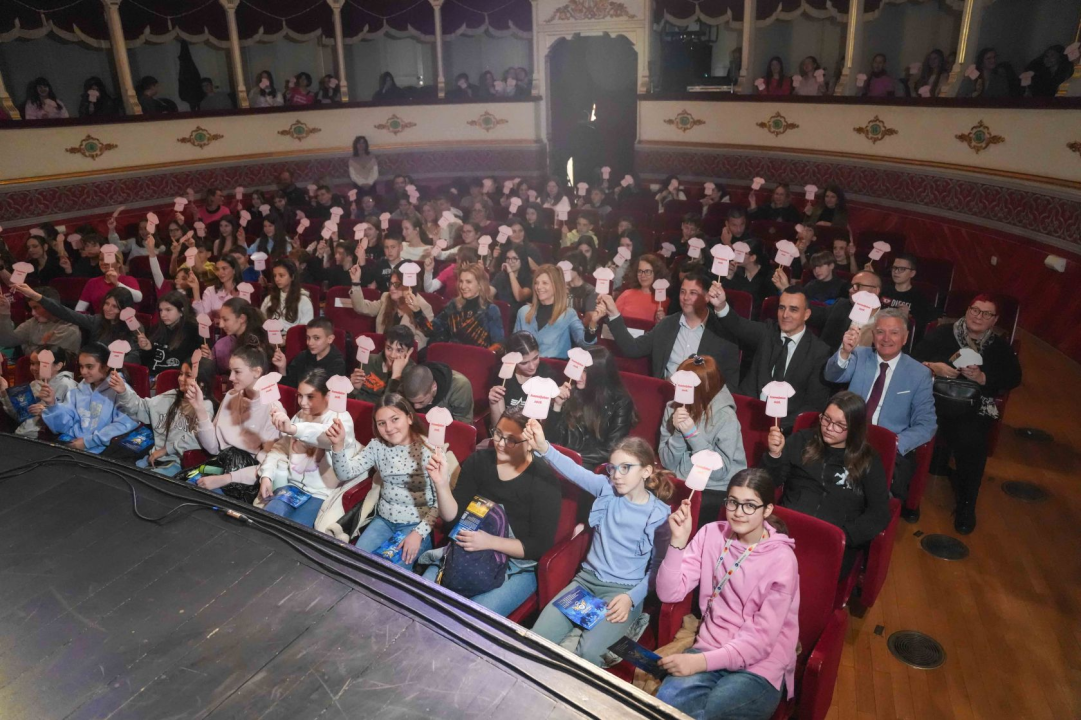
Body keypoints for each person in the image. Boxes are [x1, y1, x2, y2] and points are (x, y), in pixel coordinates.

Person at [654, 469, 798, 720]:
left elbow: (761, 642)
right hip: (709, 647)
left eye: (749, 505)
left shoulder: (782, 559)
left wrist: (698, 663)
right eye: (733, 502)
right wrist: (678, 541)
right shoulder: (711, 533)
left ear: (767, 510)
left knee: (710, 713)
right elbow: (669, 593)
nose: (739, 512)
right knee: (665, 703)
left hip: (759, 665)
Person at [526, 421, 673, 667]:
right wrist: (544, 447)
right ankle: (587, 631)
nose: (616, 475)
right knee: (536, 639)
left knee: (589, 656)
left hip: (622, 593)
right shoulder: (607, 489)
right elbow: (574, 471)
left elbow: (659, 568)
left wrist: (630, 599)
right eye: (612, 468)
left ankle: (617, 630)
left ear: (646, 471)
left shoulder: (659, 515)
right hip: (586, 582)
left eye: (626, 468)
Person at [425, 408, 563, 615]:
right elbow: (453, 521)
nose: (500, 443)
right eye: (498, 433)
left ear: (530, 442)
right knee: (423, 595)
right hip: (469, 548)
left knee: (470, 616)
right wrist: (441, 484)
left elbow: (538, 546)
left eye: (511, 440)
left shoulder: (544, 481)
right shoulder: (478, 462)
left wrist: (489, 542)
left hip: (517, 565)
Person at [913, 294, 1021, 534]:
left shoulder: (998, 346)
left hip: (973, 408)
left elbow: (1014, 378)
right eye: (975, 310)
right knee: (913, 423)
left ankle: (966, 504)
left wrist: (983, 378)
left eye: (986, 314)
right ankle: (908, 497)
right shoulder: (943, 333)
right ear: (967, 310)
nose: (978, 316)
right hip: (933, 400)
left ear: (994, 320)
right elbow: (913, 359)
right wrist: (933, 367)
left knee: (972, 441)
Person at [823, 309, 937, 514]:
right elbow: (833, 375)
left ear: (905, 337)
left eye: (894, 333)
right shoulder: (859, 354)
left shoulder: (919, 374)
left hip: (887, 444)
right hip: (849, 435)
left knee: (875, 490)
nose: (886, 338)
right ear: (873, 334)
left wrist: (894, 444)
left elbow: (926, 424)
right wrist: (844, 352)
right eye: (880, 332)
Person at [765, 390, 891, 573]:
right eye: (826, 419)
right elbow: (768, 482)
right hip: (787, 532)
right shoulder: (802, 440)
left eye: (839, 425)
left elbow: (879, 512)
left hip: (831, 544)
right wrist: (774, 455)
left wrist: (843, 537)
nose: (829, 428)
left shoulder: (867, 459)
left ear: (854, 428)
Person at [326, 393, 437, 569]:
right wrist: (338, 445)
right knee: (355, 563)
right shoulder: (377, 446)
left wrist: (419, 533)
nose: (389, 428)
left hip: (415, 525)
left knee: (388, 573)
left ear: (409, 418)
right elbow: (345, 473)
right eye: (382, 423)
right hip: (384, 520)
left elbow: (439, 503)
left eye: (395, 419)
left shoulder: (429, 450)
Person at [707, 283, 830, 430]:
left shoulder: (818, 351)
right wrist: (721, 306)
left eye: (793, 309)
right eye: (782, 308)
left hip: (786, 427)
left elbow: (814, 404)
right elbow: (738, 325)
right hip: (748, 413)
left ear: (806, 314)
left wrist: (780, 428)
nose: (785, 315)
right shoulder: (768, 331)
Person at [603, 268, 740, 384]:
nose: (685, 297)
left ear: (707, 297)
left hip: (702, 402)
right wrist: (614, 314)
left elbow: (730, 384)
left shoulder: (722, 333)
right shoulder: (667, 325)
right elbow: (633, 348)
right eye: (683, 292)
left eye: (693, 293)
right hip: (666, 395)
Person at [260, 369, 358, 527]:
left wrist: (293, 429)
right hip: (293, 486)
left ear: (328, 396)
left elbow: (324, 437)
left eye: (310, 397)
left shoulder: (341, 419)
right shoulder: (299, 416)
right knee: (268, 519)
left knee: (296, 529)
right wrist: (267, 475)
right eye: (300, 395)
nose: (302, 402)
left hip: (321, 493)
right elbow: (280, 448)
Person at [660, 355, 748, 523]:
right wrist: (678, 433)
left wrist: (692, 435)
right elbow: (667, 462)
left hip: (715, 488)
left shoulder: (726, 417)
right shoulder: (672, 409)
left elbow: (720, 472)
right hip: (680, 479)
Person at [188, 345, 281, 498]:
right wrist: (199, 409)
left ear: (257, 372)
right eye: (230, 371)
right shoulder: (231, 396)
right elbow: (213, 448)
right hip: (221, 467)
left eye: (237, 372)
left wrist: (225, 479)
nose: (230, 377)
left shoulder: (274, 410)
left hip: (246, 479)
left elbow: (268, 466)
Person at [111, 359, 213, 477]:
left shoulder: (205, 406)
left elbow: (197, 438)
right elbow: (141, 408)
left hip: (177, 464)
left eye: (188, 375)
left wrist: (166, 450)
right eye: (181, 374)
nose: (181, 378)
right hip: (152, 458)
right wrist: (123, 391)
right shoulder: (171, 396)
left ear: (202, 383)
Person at [546, 345, 637, 472]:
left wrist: (573, 458)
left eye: (585, 372)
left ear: (599, 374)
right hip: (562, 458)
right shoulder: (571, 391)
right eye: (579, 369)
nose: (578, 376)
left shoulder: (620, 402)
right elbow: (552, 440)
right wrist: (557, 406)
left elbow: (611, 449)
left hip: (589, 465)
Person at [38, 343, 139, 453]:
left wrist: (88, 442)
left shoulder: (122, 392)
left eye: (89, 367)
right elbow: (63, 426)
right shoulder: (77, 391)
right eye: (81, 366)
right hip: (70, 445)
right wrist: (52, 404)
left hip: (101, 452)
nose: (83, 371)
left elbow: (124, 425)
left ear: (106, 366)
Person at [15, 284, 141, 364]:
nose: (108, 309)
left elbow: (135, 357)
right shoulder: (96, 320)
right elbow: (65, 313)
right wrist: (36, 296)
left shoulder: (134, 326)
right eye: (107, 304)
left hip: (117, 374)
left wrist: (108, 365)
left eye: (114, 306)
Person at [514, 264, 596, 359]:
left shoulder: (568, 314)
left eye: (545, 283)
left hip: (554, 366)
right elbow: (515, 346)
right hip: (526, 366)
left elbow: (585, 343)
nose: (539, 287)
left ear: (556, 286)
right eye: (536, 283)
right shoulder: (523, 312)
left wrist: (593, 323)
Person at [0, 346, 75, 438]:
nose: (34, 368)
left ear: (58, 366)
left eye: (40, 364)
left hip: (44, 439)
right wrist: (4, 393)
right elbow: (20, 415)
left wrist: (46, 412)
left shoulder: (67, 385)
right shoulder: (34, 384)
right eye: (32, 363)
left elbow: (69, 423)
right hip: (22, 435)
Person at [349, 267, 434, 347]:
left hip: (404, 354)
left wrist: (396, 352)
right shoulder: (386, 297)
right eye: (390, 284)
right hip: (381, 350)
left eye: (396, 284)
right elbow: (361, 307)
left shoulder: (423, 306)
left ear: (409, 285)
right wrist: (356, 282)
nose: (391, 288)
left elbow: (421, 341)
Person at [429, 263, 504, 350]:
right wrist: (418, 312)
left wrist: (485, 354)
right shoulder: (453, 305)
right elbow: (432, 329)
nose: (463, 286)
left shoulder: (491, 310)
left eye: (468, 282)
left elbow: (498, 345)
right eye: (461, 281)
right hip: (451, 354)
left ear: (480, 285)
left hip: (477, 356)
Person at [487, 331, 555, 427]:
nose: (532, 367)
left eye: (535, 358)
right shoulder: (502, 375)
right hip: (508, 431)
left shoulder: (545, 374)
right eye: (524, 363)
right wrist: (493, 403)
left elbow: (546, 423)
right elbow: (498, 426)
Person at [0, 287, 81, 356]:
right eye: (31, 308)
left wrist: (25, 345)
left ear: (52, 306)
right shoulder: (33, 322)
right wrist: (4, 313)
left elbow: (43, 357)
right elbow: (7, 342)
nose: (33, 313)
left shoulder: (68, 328)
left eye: (36, 307)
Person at [203, 298, 270, 380]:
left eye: (225, 320)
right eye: (220, 319)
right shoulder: (224, 343)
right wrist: (210, 360)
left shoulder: (256, 343)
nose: (221, 325)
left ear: (242, 318)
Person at [815, 270, 883, 351]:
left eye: (857, 286)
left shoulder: (886, 321)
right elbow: (815, 314)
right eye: (851, 286)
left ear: (875, 291)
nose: (850, 290)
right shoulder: (841, 306)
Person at [349, 324, 416, 404]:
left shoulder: (412, 374)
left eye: (399, 351)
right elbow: (349, 399)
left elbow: (390, 407)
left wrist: (396, 376)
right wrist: (353, 388)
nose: (392, 355)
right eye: (389, 348)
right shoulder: (369, 360)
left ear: (409, 351)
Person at [272, 317, 346, 388]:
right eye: (308, 337)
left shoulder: (337, 364)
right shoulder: (302, 356)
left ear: (330, 339)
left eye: (316, 338)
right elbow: (289, 386)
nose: (310, 343)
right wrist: (282, 368)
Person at [881, 254, 938, 339]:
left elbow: (923, 327)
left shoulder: (919, 298)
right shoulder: (884, 290)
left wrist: (909, 318)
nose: (896, 272)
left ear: (912, 273)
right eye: (894, 268)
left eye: (902, 269)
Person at [397, 362, 473, 424]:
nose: (416, 407)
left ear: (434, 387)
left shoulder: (459, 387)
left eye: (421, 402)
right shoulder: (407, 382)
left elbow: (462, 425)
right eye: (412, 402)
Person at [74, 254, 143, 314]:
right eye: (101, 260)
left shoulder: (129, 280)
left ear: (118, 263)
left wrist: (116, 283)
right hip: (99, 322)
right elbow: (79, 309)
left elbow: (138, 298)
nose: (104, 262)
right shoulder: (92, 282)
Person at [260, 258, 314, 332]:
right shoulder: (269, 299)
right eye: (275, 276)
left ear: (292, 276)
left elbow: (305, 329)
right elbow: (262, 322)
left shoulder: (304, 301)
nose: (277, 279)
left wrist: (286, 337)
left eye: (281, 275)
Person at [615, 253, 669, 325]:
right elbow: (613, 321)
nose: (643, 275)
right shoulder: (626, 294)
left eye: (647, 271)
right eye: (640, 271)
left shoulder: (663, 301)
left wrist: (661, 322)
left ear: (656, 273)